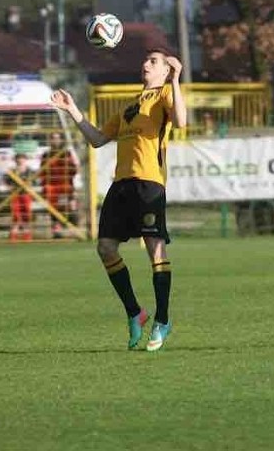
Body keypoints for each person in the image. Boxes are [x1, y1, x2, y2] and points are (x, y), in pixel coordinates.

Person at [51, 48, 187, 352]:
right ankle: (135, 312)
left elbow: (180, 121)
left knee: (155, 250)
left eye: (154, 61)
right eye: (146, 59)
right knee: (105, 247)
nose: (145, 63)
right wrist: (72, 110)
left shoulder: (165, 94)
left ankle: (162, 320)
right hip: (122, 185)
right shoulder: (130, 105)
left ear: (165, 71)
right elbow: (98, 139)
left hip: (149, 183)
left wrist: (177, 79)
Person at [40, 131, 79, 238]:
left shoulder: (67, 153)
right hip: (52, 185)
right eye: (53, 138)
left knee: (71, 204)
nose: (55, 140)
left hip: (65, 184)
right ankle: (56, 227)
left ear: (61, 140)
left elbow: (74, 170)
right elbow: (42, 172)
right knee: (52, 203)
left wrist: (68, 164)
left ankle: (74, 226)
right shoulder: (45, 155)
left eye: (57, 138)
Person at [6, 152, 36, 241]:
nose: (20, 160)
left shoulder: (29, 171)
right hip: (15, 194)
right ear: (15, 160)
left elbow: (34, 181)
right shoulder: (12, 170)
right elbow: (6, 180)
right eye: (18, 158)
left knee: (26, 212)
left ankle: (27, 234)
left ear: (25, 160)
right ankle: (14, 233)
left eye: (22, 158)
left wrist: (29, 185)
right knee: (16, 213)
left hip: (26, 194)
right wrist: (10, 187)